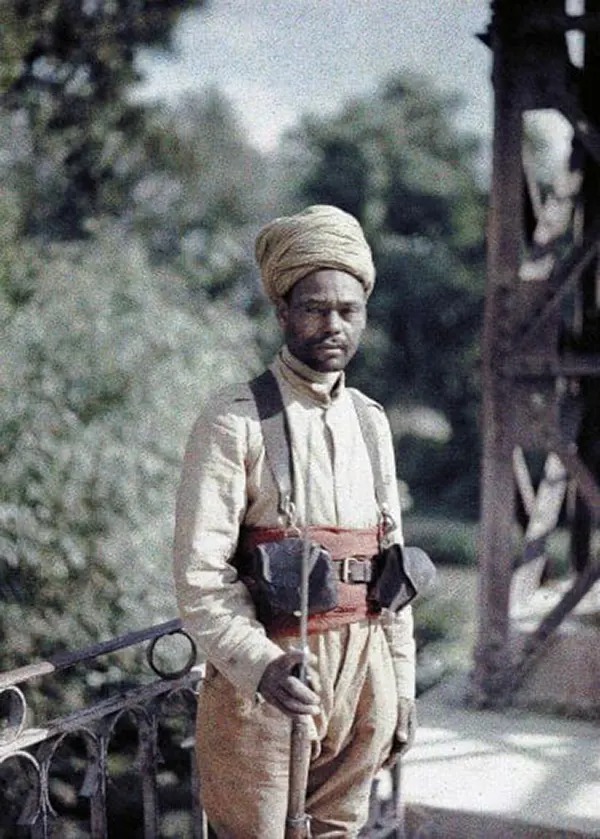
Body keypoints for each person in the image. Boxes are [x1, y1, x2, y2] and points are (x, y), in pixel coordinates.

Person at [173, 204, 416, 839]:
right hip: (274, 676)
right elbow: (201, 578)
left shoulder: (370, 421)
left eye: (349, 310)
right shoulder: (234, 421)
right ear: (282, 311)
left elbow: (393, 572)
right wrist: (261, 665)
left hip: (365, 673)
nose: (333, 324)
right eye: (314, 308)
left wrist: (401, 687)